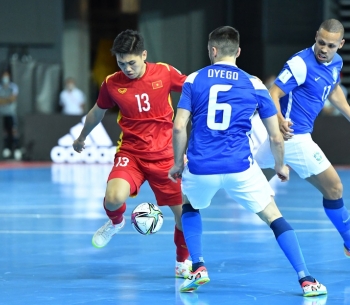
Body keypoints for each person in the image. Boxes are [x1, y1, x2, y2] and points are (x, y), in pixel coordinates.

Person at [168, 26, 327, 297]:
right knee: (273, 217)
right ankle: (306, 279)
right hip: (239, 167)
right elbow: (276, 136)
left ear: (212, 51)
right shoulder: (254, 83)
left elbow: (179, 127)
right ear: (238, 52)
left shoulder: (194, 80)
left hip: (201, 165)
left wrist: (176, 163)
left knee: (188, 204)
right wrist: (279, 166)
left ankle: (198, 265)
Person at [253, 19, 350, 261]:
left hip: (287, 138)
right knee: (334, 187)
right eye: (321, 42)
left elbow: (333, 88)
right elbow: (273, 92)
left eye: (331, 45)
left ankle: (188, 204)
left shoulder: (335, 62)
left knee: (246, 184)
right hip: (294, 136)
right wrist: (282, 119)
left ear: (341, 44)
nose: (324, 49)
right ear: (316, 36)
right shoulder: (300, 64)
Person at [72, 29, 191, 278]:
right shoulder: (111, 83)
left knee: (184, 216)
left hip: (167, 156)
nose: (126, 68)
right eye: (121, 63)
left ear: (144, 55)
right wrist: (82, 136)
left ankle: (182, 261)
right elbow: (97, 112)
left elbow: (193, 89)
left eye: (131, 62)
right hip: (132, 153)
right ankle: (116, 222)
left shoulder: (165, 72)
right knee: (113, 197)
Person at [0, 71, 22, 160]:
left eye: (7, 76)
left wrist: (3, 100)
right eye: (4, 76)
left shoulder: (13, 87)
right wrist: (7, 100)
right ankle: (6, 149)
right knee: (4, 131)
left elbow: (13, 99)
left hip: (11, 113)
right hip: (1, 114)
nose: (5, 78)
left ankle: (16, 148)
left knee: (13, 130)